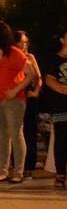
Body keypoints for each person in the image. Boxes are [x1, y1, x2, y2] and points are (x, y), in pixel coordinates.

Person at [0, 21, 31, 183]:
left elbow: (31, 74)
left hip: (14, 100)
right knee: (2, 136)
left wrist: (15, 90)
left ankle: (18, 172)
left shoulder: (15, 53)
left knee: (16, 134)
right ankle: (2, 170)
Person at [38, 26, 67, 188]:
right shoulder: (54, 60)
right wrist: (64, 90)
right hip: (61, 105)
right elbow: (50, 80)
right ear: (62, 40)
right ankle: (60, 173)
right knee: (61, 140)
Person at [16, 30, 42, 178]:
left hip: (29, 95)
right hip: (17, 96)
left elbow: (38, 77)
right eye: (21, 42)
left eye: (26, 42)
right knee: (17, 131)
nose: (24, 45)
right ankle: (18, 163)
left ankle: (29, 165)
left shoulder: (30, 57)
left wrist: (36, 91)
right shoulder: (12, 57)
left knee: (30, 131)